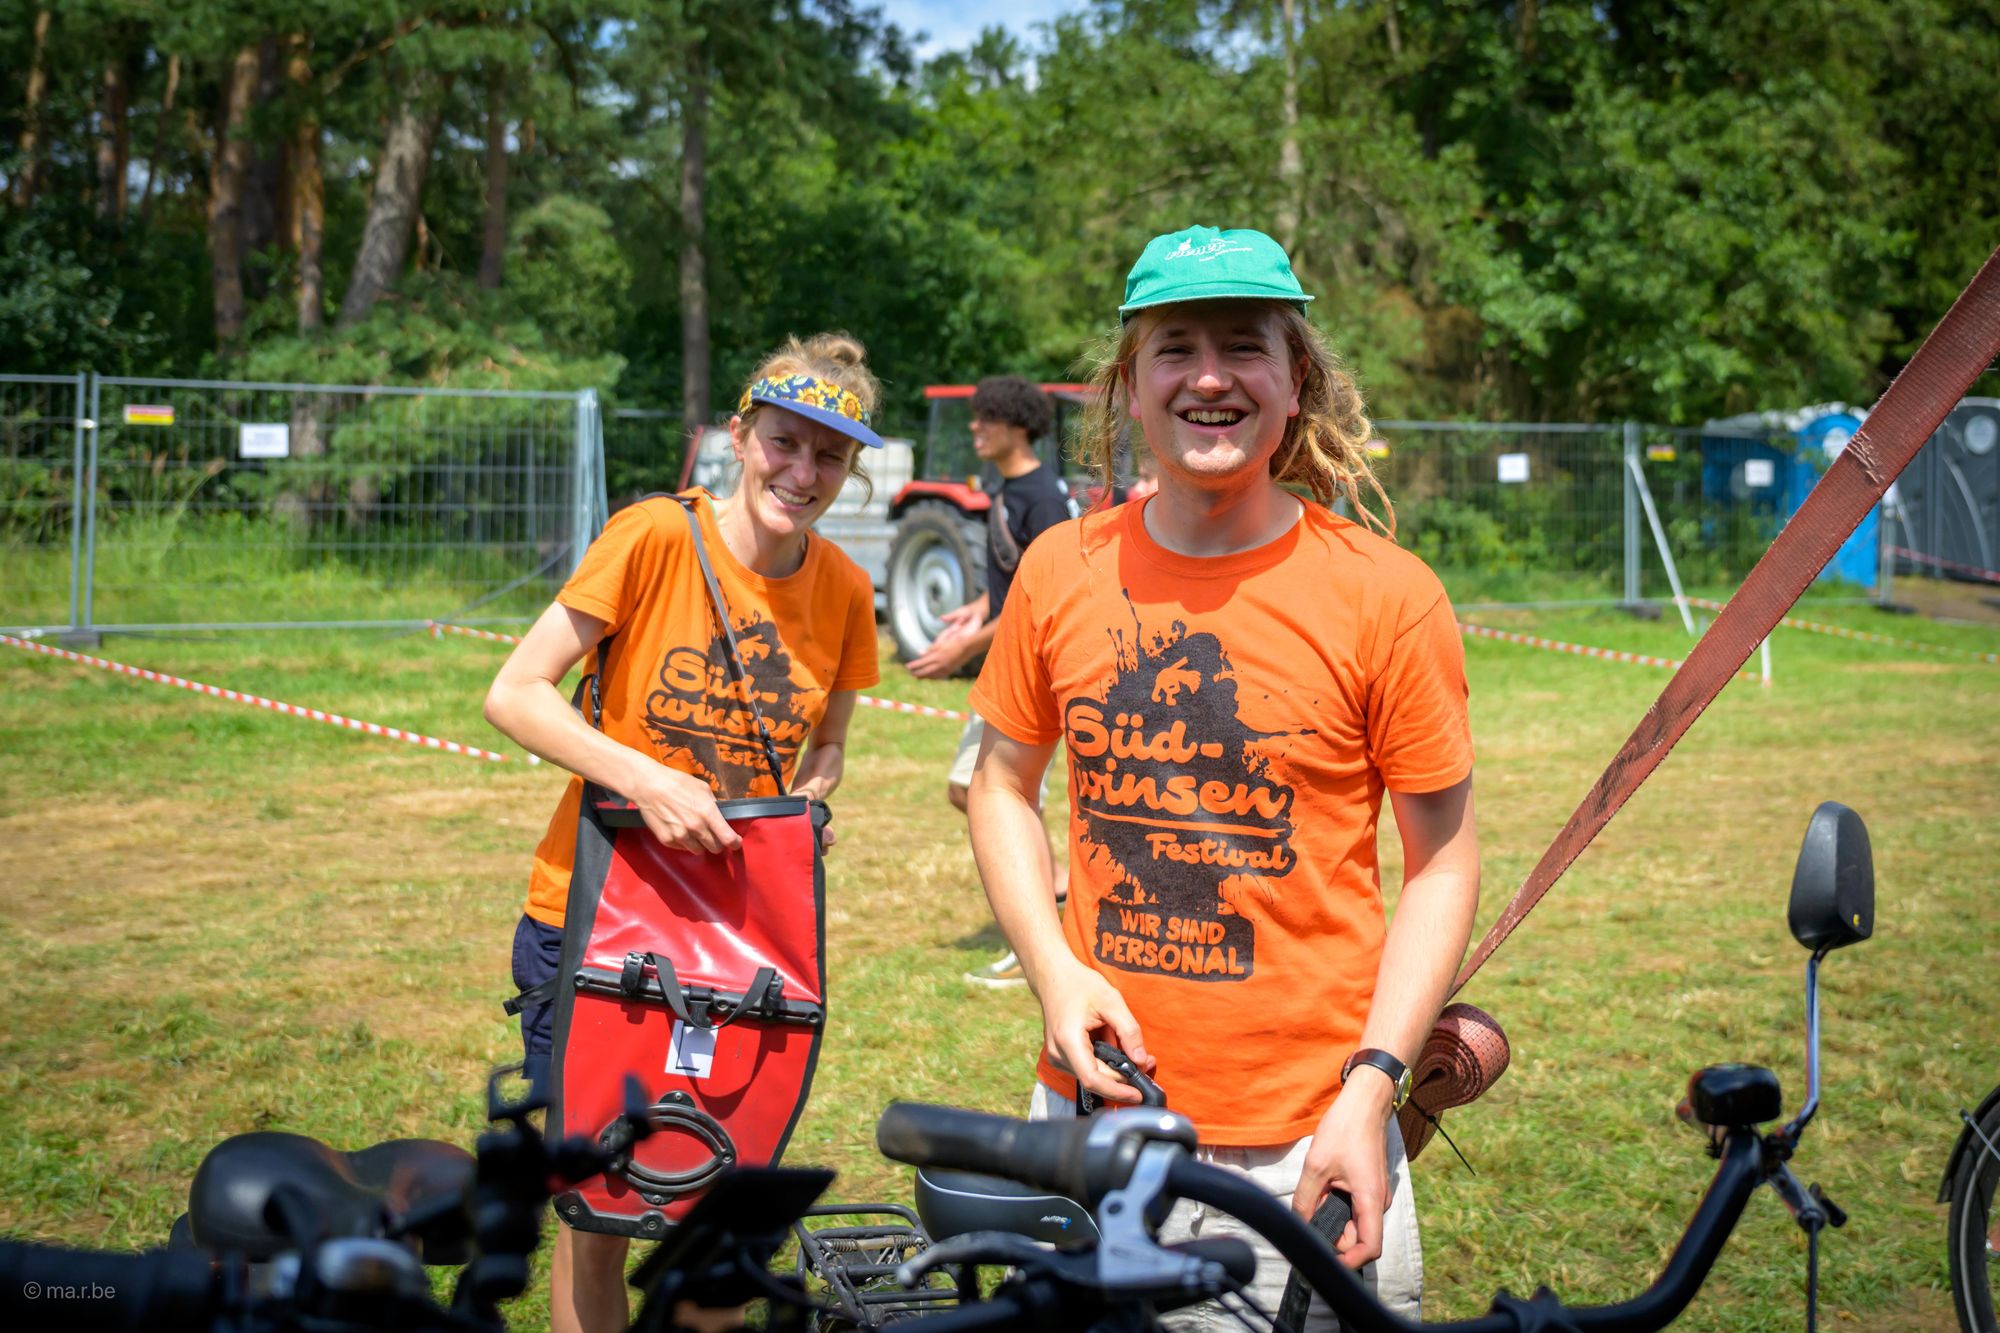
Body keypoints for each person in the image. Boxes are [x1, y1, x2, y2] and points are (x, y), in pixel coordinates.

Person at [965, 225, 1480, 1327]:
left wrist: (1370, 1090)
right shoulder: (1060, 569)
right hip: (1089, 1125)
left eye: (1244, 345)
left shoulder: (1387, 595)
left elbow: (1441, 864)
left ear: (1296, 382)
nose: (1209, 376)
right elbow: (1002, 785)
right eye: (1175, 348)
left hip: (1308, 1143)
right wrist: (1053, 972)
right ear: (1128, 386)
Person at [483, 334, 884, 1333]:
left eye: (829, 455)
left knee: (714, 1199)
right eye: (784, 442)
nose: (803, 473)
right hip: (596, 920)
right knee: (600, 1202)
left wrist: (810, 801)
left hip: (736, 937)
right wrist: (642, 776)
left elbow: (829, 743)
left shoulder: (843, 588)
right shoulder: (655, 536)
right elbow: (516, 693)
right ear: (740, 438)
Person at [906, 376, 1077, 988]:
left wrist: (964, 648)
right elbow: (1014, 579)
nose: (975, 428)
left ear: (1017, 426)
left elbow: (1046, 597)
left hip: (1032, 672)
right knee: (977, 790)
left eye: (987, 419)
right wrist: (977, 610)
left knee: (1000, 794)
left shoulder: (1043, 498)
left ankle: (1047, 932)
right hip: (1008, 664)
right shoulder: (1007, 488)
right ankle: (1055, 898)